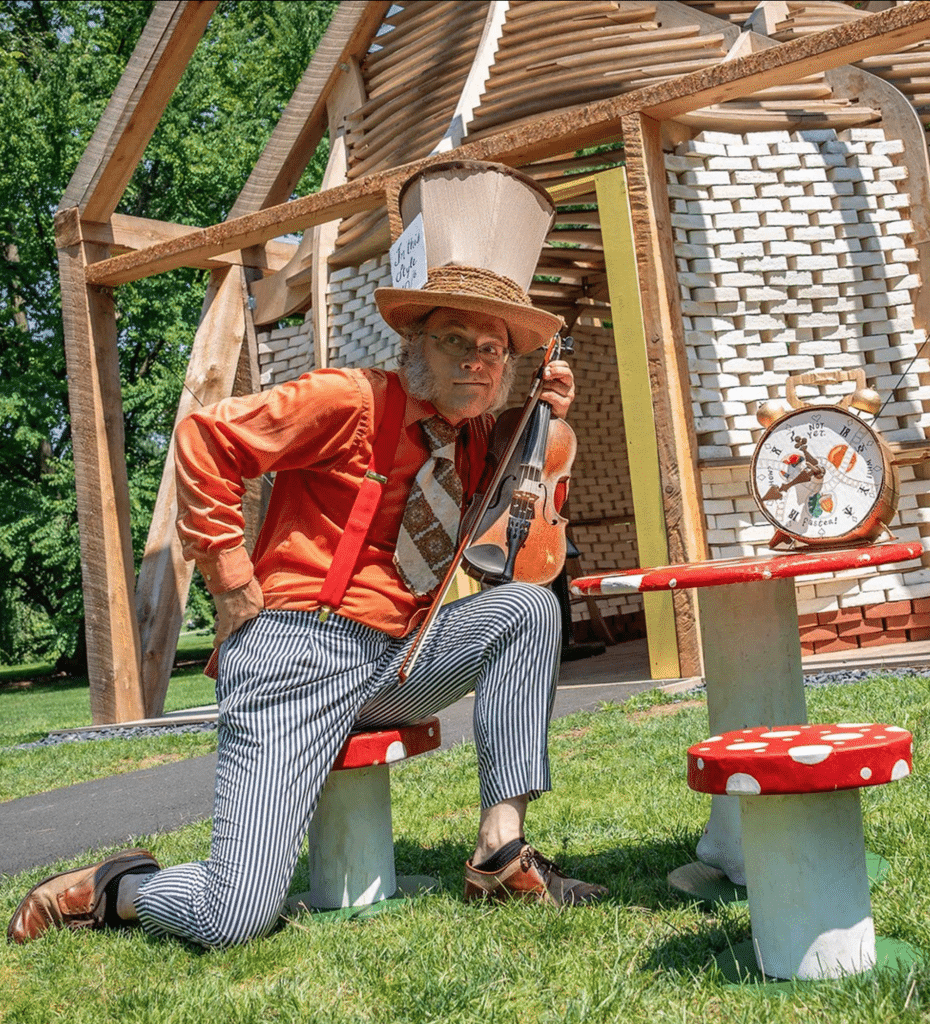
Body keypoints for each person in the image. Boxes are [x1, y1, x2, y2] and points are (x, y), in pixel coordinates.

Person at [8, 160, 607, 948]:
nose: (476, 358)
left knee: (529, 608)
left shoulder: (473, 444)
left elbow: (515, 539)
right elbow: (204, 439)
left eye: (493, 348)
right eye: (456, 338)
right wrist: (229, 582)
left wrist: (531, 422)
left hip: (399, 659)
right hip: (294, 651)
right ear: (416, 342)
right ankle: (115, 887)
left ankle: (500, 848)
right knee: (233, 918)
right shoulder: (345, 398)